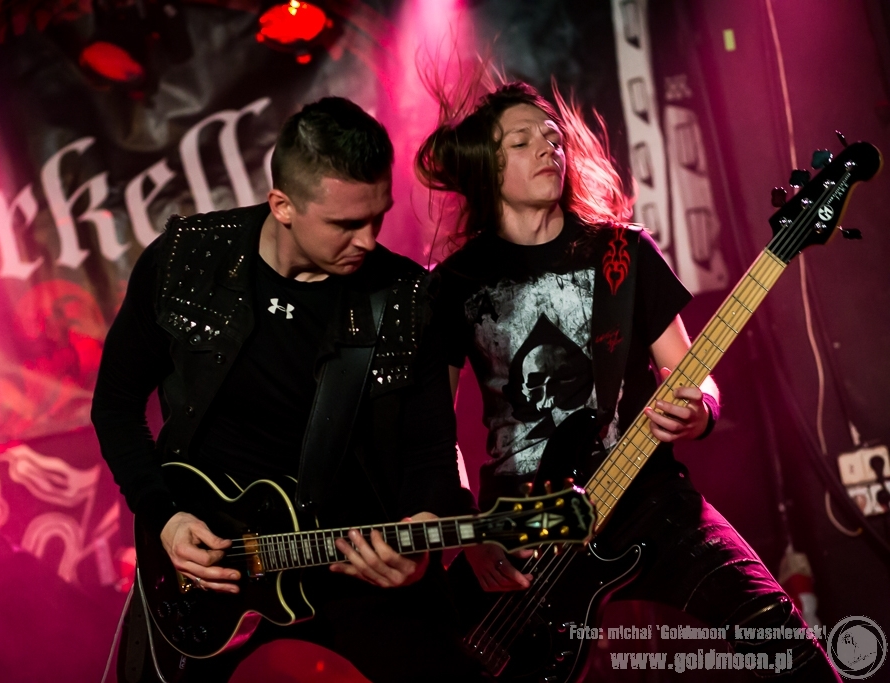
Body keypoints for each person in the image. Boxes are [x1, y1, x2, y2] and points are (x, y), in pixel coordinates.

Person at [417, 81, 841, 680]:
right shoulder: (455, 285)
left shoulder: (623, 251)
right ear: (486, 167)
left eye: (552, 137)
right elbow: (432, 432)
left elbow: (694, 374)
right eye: (521, 141)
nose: (547, 149)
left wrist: (699, 412)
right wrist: (472, 531)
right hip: (525, 525)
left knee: (783, 641)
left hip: (647, 494)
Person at [92, 97, 481, 682]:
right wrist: (165, 518)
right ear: (283, 206)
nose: (367, 240)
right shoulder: (187, 259)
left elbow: (430, 447)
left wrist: (420, 542)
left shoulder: (405, 297)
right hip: (215, 564)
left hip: (351, 558)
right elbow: (116, 406)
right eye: (345, 224)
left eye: (377, 217)